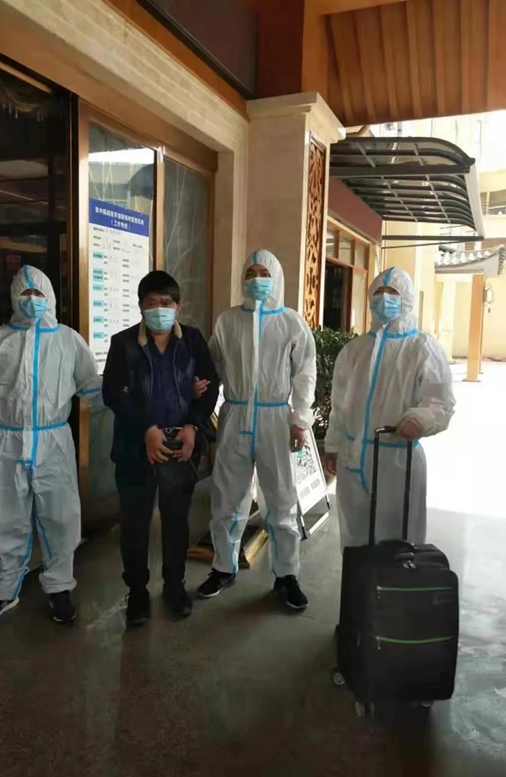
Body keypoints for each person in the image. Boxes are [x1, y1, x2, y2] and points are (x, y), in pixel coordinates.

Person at [0, 265, 103, 625]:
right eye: (25, 293)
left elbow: (91, 384)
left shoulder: (68, 340)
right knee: (8, 516)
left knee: (60, 515)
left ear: (50, 296)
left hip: (53, 439)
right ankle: (4, 589)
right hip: (7, 439)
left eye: (38, 293)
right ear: (13, 297)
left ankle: (59, 585)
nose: (31, 300)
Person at [197, 250, 316, 610]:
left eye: (264, 272)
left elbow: (305, 374)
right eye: (250, 272)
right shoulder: (228, 321)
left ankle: (286, 574)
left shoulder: (291, 323)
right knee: (226, 497)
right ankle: (223, 566)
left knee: (280, 499)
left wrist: (300, 420)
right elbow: (213, 366)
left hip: (275, 419)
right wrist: (201, 397)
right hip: (235, 416)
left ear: (276, 277)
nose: (256, 279)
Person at [102, 270, 218, 627]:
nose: (159, 310)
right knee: (135, 523)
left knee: (176, 521)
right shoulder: (123, 344)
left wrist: (193, 425)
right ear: (140, 307)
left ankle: (174, 585)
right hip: (135, 448)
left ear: (177, 307)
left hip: (180, 445)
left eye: (165, 303)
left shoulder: (193, 341)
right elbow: (113, 394)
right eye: (151, 303)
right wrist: (146, 430)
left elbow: (210, 387)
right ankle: (137, 591)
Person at [323, 267, 455, 550]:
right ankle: (358, 581)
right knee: (354, 539)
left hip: (397, 460)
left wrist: (421, 419)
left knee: (398, 541)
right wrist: (333, 445)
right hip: (353, 457)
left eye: (392, 292)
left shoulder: (422, 348)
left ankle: (394, 581)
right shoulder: (354, 350)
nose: (384, 298)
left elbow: (441, 402)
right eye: (378, 292)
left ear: (406, 298)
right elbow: (340, 405)